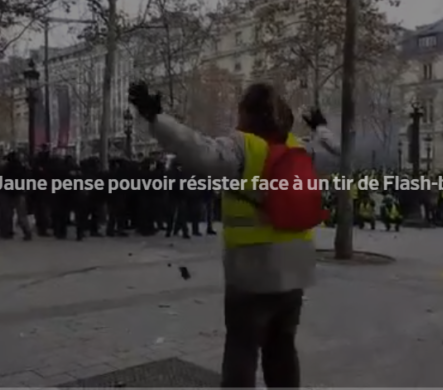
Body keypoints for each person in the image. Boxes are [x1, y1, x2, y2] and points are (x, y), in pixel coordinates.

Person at [128, 80, 339, 389]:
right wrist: (321, 127)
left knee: (242, 347)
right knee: (282, 348)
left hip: (251, 269)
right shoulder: (299, 148)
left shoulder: (243, 147)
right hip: (296, 267)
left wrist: (156, 119)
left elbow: (198, 150)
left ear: (246, 114)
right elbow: (335, 154)